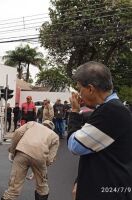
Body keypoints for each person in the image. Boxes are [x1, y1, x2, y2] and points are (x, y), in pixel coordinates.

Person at [67, 61, 132, 200]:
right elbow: (97, 149)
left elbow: (75, 145)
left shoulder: (110, 111)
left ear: (90, 89)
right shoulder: (113, 109)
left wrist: (74, 112)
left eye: (79, 89)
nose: (79, 94)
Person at [1, 120, 59, 200]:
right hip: (40, 157)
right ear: (52, 129)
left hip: (22, 152)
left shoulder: (32, 124)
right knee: (42, 186)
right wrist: (39, 170)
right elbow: (50, 159)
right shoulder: (54, 136)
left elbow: (18, 132)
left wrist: (12, 150)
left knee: (14, 185)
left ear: (42, 123)